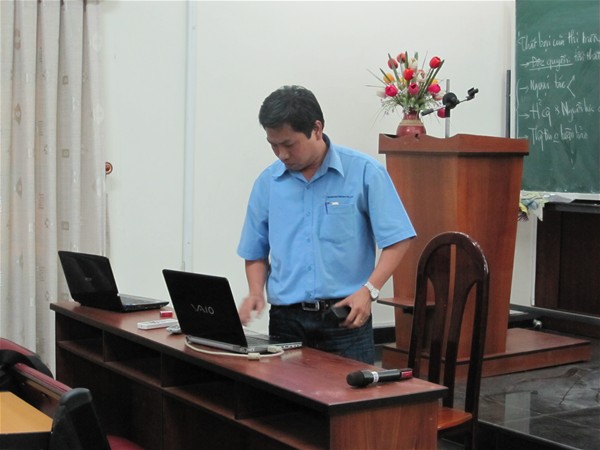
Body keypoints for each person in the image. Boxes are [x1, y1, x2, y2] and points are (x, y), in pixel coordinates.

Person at [237, 85, 415, 364]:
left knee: (349, 392)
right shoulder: (267, 182)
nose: (281, 154)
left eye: (289, 144)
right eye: (273, 145)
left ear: (317, 129)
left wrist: (369, 290)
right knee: (283, 394)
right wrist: (256, 291)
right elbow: (255, 250)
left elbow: (399, 238)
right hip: (286, 321)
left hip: (345, 318)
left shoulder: (364, 172)